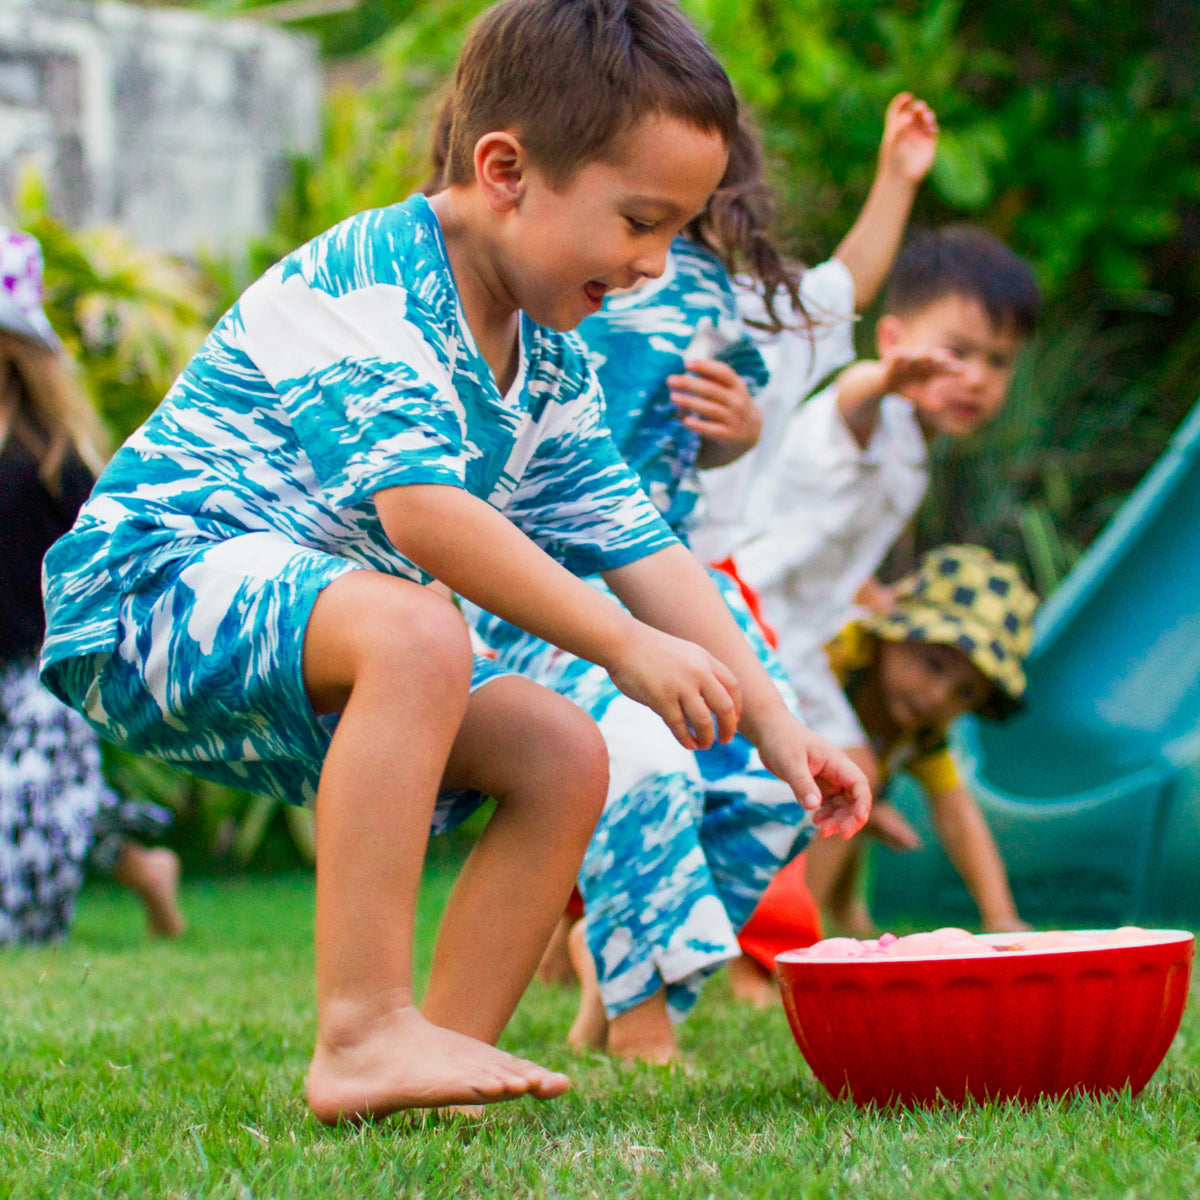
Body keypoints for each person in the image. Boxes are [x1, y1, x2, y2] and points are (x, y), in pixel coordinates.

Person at [38, 0, 868, 1123]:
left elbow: (647, 552)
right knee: (420, 619)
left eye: (678, 231)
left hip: (300, 632)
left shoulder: (549, 369)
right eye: (639, 221)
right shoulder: (375, 283)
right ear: (506, 171)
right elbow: (426, 516)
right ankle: (363, 1032)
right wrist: (624, 648)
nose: (657, 264)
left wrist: (782, 729)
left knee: (559, 749)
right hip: (146, 595)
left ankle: (437, 1071)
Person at [0, 227, 186, 948]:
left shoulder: (54, 460)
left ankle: (133, 861)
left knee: (20, 923)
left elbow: (95, 574)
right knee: (52, 801)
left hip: (33, 678)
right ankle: (144, 864)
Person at [736, 545, 1038, 981]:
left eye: (965, 693)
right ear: (893, 632)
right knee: (851, 780)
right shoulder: (835, 656)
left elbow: (957, 814)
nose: (939, 697)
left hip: (817, 799)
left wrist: (1000, 917)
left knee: (853, 792)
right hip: (747, 768)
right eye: (933, 664)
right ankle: (788, 948)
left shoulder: (920, 729)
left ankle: (843, 917)